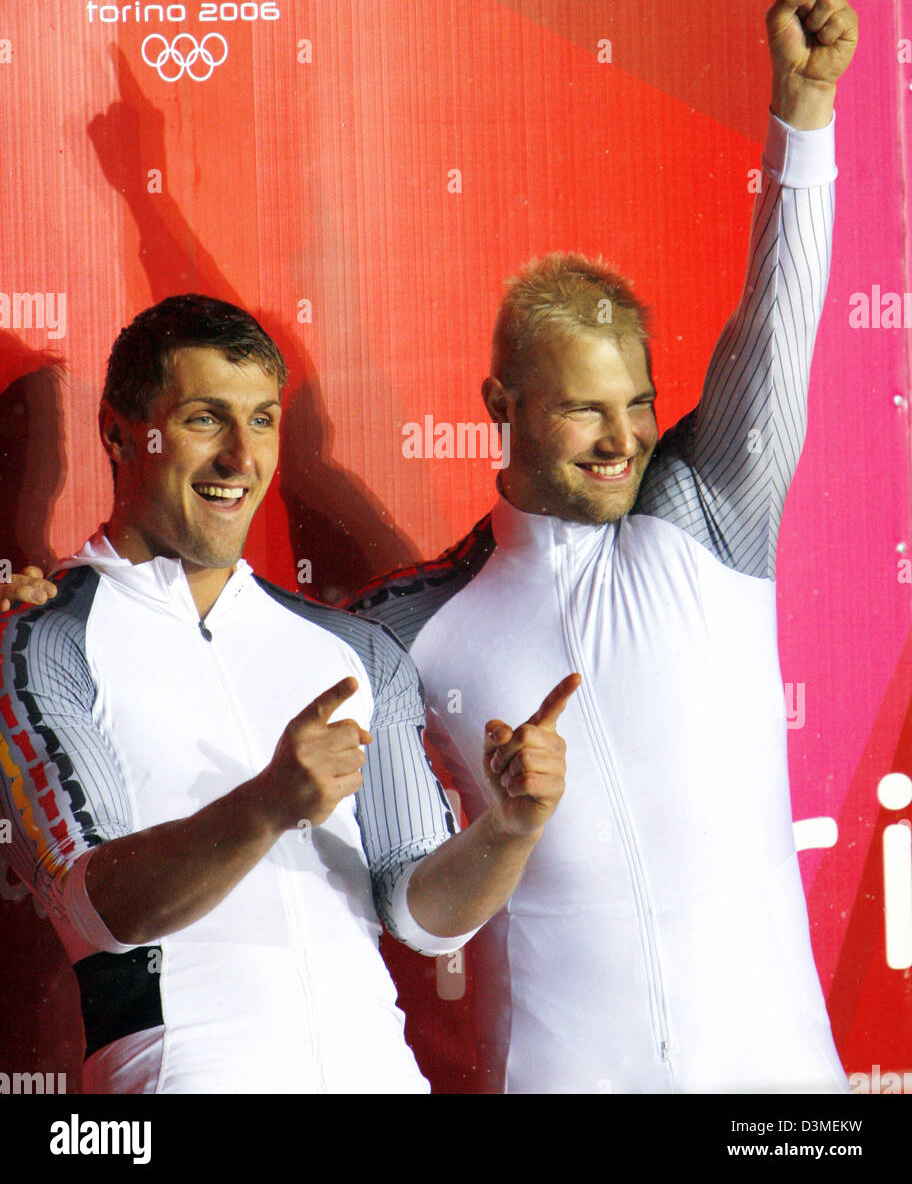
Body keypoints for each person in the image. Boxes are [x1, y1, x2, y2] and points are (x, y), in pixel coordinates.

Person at [346, 0, 859, 1092]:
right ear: (502, 402)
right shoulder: (407, 626)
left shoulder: (705, 517)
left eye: (638, 402)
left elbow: (777, 332)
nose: (624, 437)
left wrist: (806, 118)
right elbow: (414, 915)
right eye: (584, 408)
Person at [0, 295, 575, 1094]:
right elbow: (96, 907)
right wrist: (269, 803)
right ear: (120, 433)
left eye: (263, 420)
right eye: (207, 419)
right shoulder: (37, 636)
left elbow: (419, 912)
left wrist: (510, 830)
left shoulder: (353, 647)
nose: (242, 457)